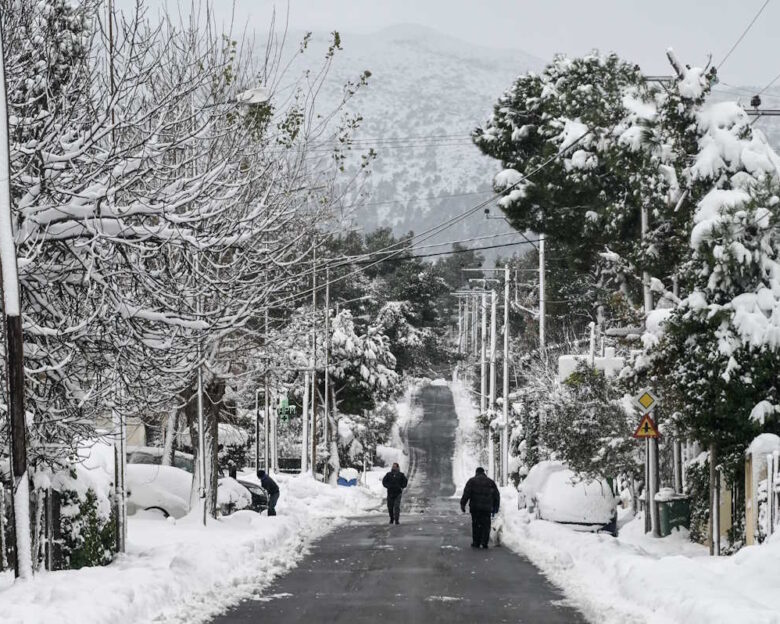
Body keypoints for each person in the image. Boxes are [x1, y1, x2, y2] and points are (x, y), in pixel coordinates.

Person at [460, 467, 500, 548]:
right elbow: (496, 496)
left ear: (476, 473)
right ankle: (484, 542)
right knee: (486, 525)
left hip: (475, 508)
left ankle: (476, 542)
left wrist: (463, 504)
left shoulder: (472, 481)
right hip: (486, 509)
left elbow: (466, 493)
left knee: (476, 524)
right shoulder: (490, 482)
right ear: (484, 473)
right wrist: (496, 507)